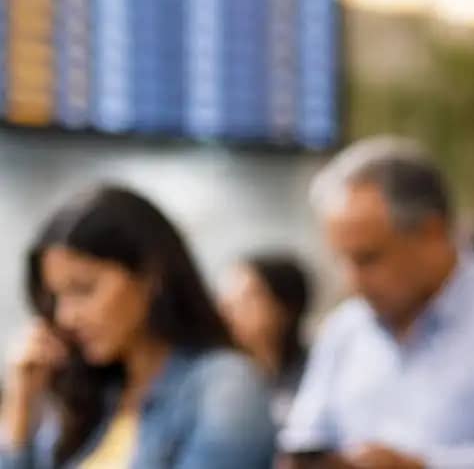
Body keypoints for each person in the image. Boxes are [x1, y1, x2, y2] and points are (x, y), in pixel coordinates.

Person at [278, 137, 474, 469]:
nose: (352, 280)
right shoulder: (345, 329)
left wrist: (420, 467)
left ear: (432, 234)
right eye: (342, 260)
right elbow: (304, 440)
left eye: (368, 259)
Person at [0, 185, 275, 469]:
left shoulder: (223, 387)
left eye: (83, 289)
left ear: (150, 275)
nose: (65, 317)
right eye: (56, 298)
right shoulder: (94, 394)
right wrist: (19, 407)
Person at [220, 250, 313, 428]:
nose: (228, 311)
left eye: (247, 298)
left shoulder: (317, 373)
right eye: (226, 300)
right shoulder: (226, 383)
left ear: (285, 307)